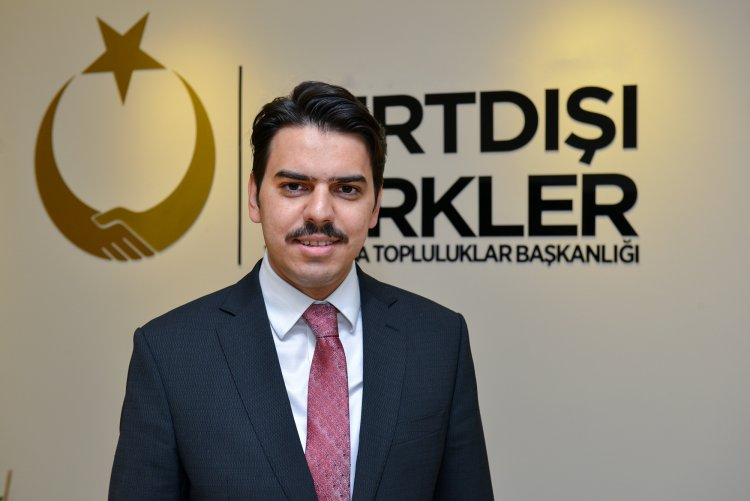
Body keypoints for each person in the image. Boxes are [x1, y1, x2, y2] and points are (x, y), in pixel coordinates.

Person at [109, 81, 493, 500]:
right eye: (295, 186)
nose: (320, 212)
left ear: (376, 205)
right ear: (254, 197)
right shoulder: (171, 354)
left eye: (347, 189)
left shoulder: (438, 340)